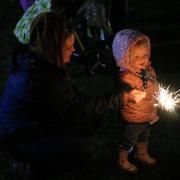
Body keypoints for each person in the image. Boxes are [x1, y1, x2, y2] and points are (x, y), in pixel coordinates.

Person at [0, 13, 146, 179]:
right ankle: (31, 168)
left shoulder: (41, 61)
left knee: (91, 121)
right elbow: (78, 108)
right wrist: (123, 98)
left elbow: (72, 101)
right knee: (84, 151)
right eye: (69, 47)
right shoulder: (41, 80)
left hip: (36, 122)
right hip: (21, 136)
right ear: (54, 47)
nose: (74, 50)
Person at [112, 28, 159, 173]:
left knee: (144, 136)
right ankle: (123, 159)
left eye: (145, 55)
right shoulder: (126, 77)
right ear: (125, 57)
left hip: (147, 113)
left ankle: (142, 154)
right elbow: (133, 91)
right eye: (137, 56)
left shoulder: (148, 71)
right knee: (128, 139)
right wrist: (145, 83)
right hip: (132, 117)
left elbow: (154, 87)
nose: (143, 60)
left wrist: (151, 78)